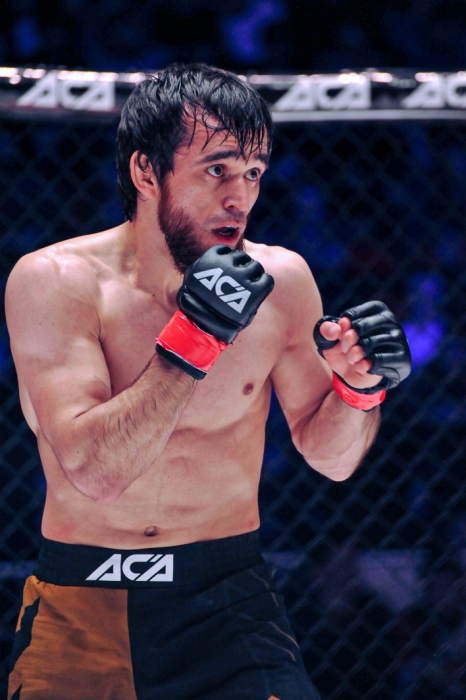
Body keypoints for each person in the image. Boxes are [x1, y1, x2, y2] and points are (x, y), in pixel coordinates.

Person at [5, 63, 411, 700]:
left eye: (252, 173)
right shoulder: (56, 283)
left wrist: (359, 391)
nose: (239, 197)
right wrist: (197, 337)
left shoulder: (282, 282)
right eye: (216, 169)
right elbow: (96, 472)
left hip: (228, 605)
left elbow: (332, 460)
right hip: (82, 605)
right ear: (146, 172)